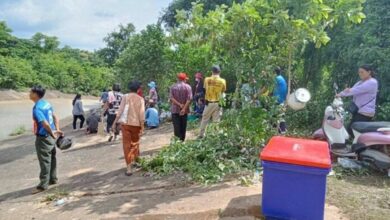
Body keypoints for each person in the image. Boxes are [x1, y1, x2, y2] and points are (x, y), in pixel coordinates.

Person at [30, 85, 63, 194]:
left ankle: (43, 185)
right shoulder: (47, 104)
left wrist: (52, 133)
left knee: (44, 161)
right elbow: (55, 117)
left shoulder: (37, 108)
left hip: (44, 137)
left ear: (35, 94)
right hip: (51, 135)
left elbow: (44, 123)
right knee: (52, 158)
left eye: (31, 92)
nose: (29, 94)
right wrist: (57, 130)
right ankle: (53, 179)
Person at [112, 81, 145, 176]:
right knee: (135, 144)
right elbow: (142, 114)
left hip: (125, 124)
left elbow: (120, 111)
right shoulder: (140, 99)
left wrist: (114, 123)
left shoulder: (125, 97)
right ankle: (135, 161)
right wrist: (142, 127)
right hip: (136, 125)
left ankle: (129, 168)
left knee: (126, 146)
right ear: (138, 89)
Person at [337, 64, 378, 136]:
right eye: (359, 72)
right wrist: (342, 93)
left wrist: (341, 94)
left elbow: (356, 90)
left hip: (365, 112)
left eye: (362, 72)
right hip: (359, 111)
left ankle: (361, 146)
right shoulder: (360, 82)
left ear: (369, 72)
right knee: (351, 130)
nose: (360, 74)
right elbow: (351, 90)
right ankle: (357, 145)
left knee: (353, 130)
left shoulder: (372, 82)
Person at [199, 65, 226, 138]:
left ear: (212, 71)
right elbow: (223, 91)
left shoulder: (207, 79)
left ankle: (201, 135)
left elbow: (204, 90)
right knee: (216, 120)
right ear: (219, 72)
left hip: (209, 103)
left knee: (205, 119)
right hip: (218, 103)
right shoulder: (223, 81)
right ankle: (215, 135)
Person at [170, 73, 193, 141]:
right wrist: (183, 108)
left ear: (177, 79)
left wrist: (179, 105)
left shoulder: (172, 87)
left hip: (175, 110)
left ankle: (177, 142)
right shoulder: (188, 87)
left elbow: (171, 98)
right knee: (183, 126)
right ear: (184, 79)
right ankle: (182, 141)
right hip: (184, 111)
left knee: (176, 127)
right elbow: (189, 99)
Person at [273, 67, 288, 134]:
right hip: (282, 100)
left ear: (274, 73)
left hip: (278, 100)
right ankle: (281, 131)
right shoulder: (282, 78)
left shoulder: (277, 78)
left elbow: (267, 87)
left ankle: (280, 131)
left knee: (275, 116)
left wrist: (257, 94)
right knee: (280, 116)